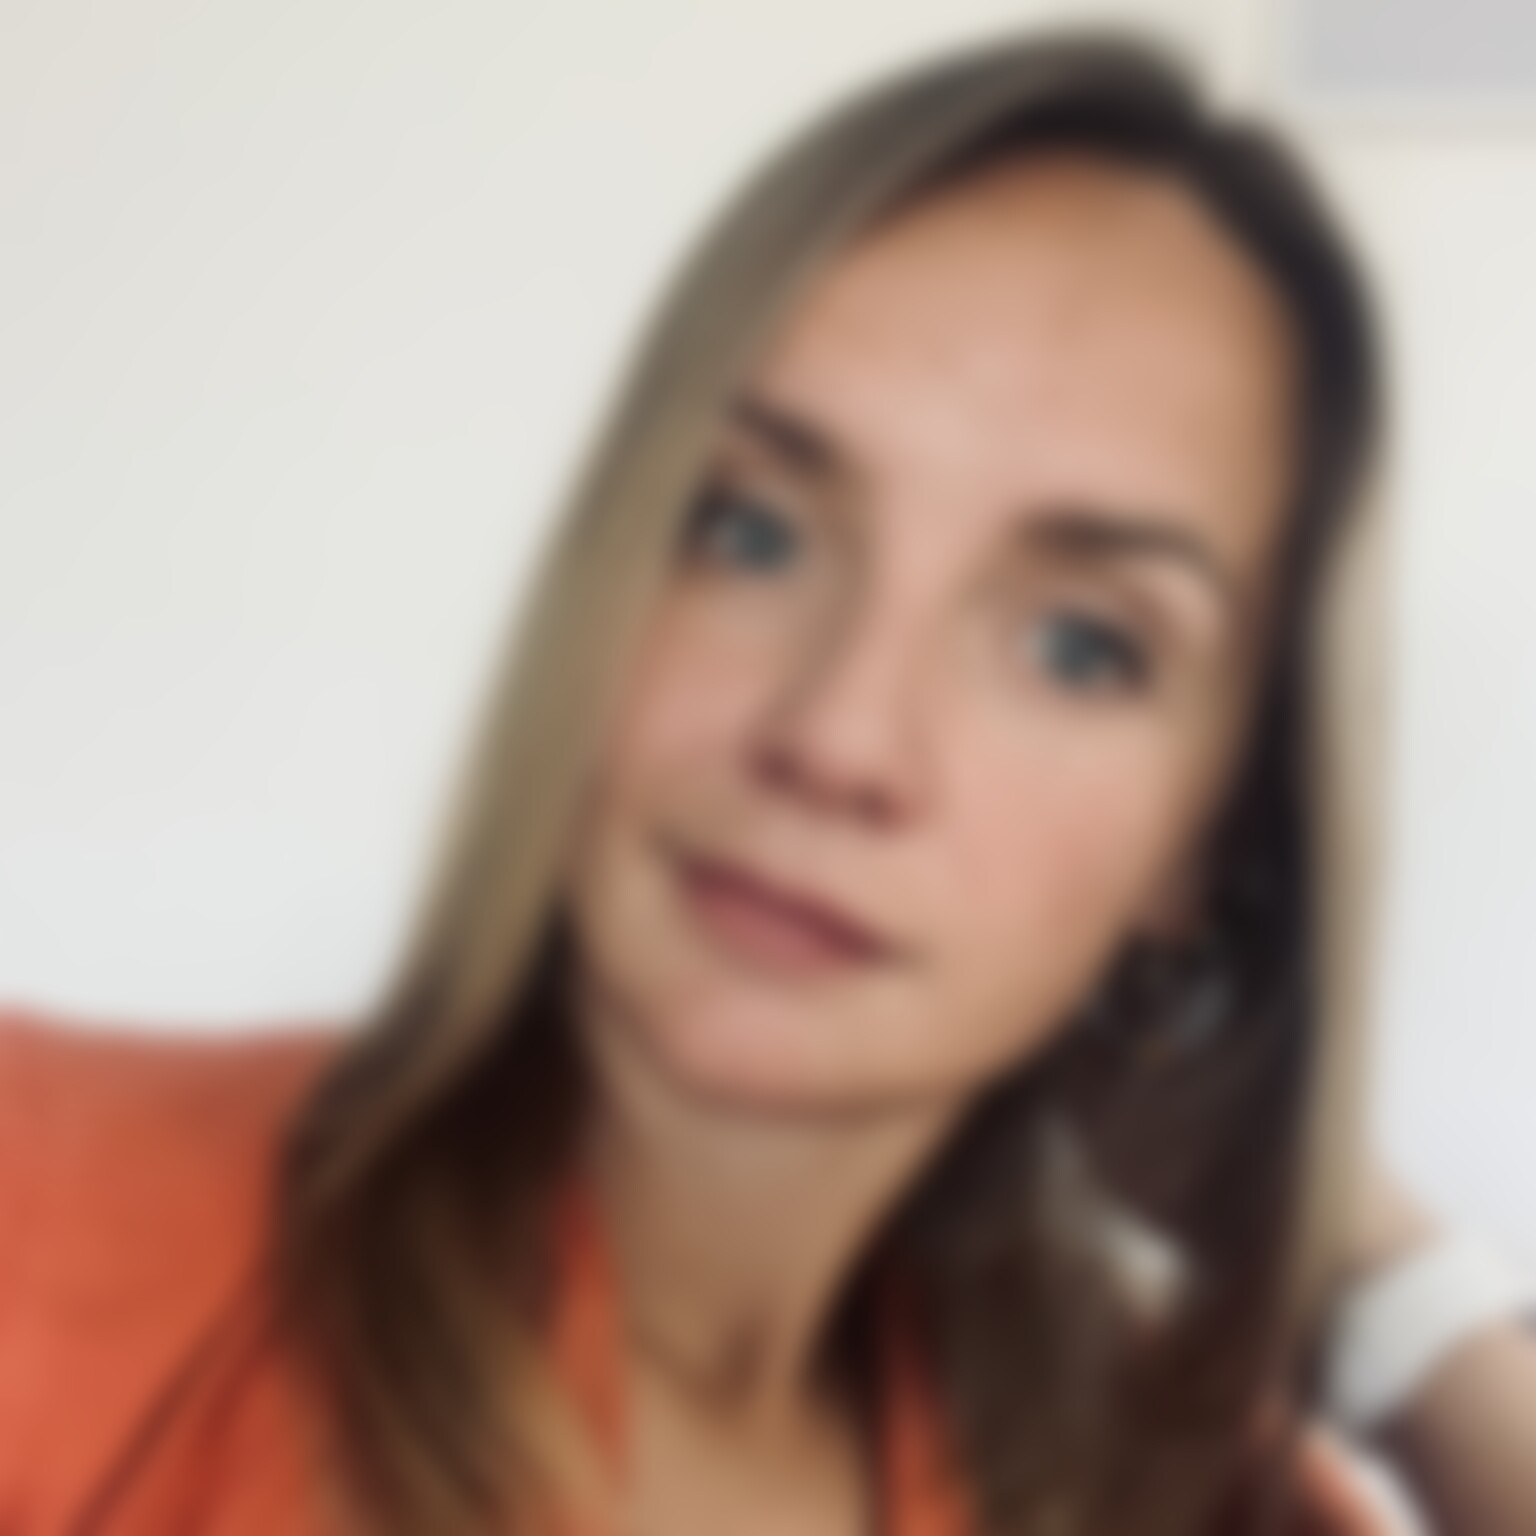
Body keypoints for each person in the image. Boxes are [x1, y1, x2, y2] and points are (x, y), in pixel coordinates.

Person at [1, 25, 1533, 1536]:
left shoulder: (1165, 1483)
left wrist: (1380, 1279)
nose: (839, 738)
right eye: (748, 531)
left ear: (1212, 843)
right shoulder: (42, 1203)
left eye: (1080, 647)